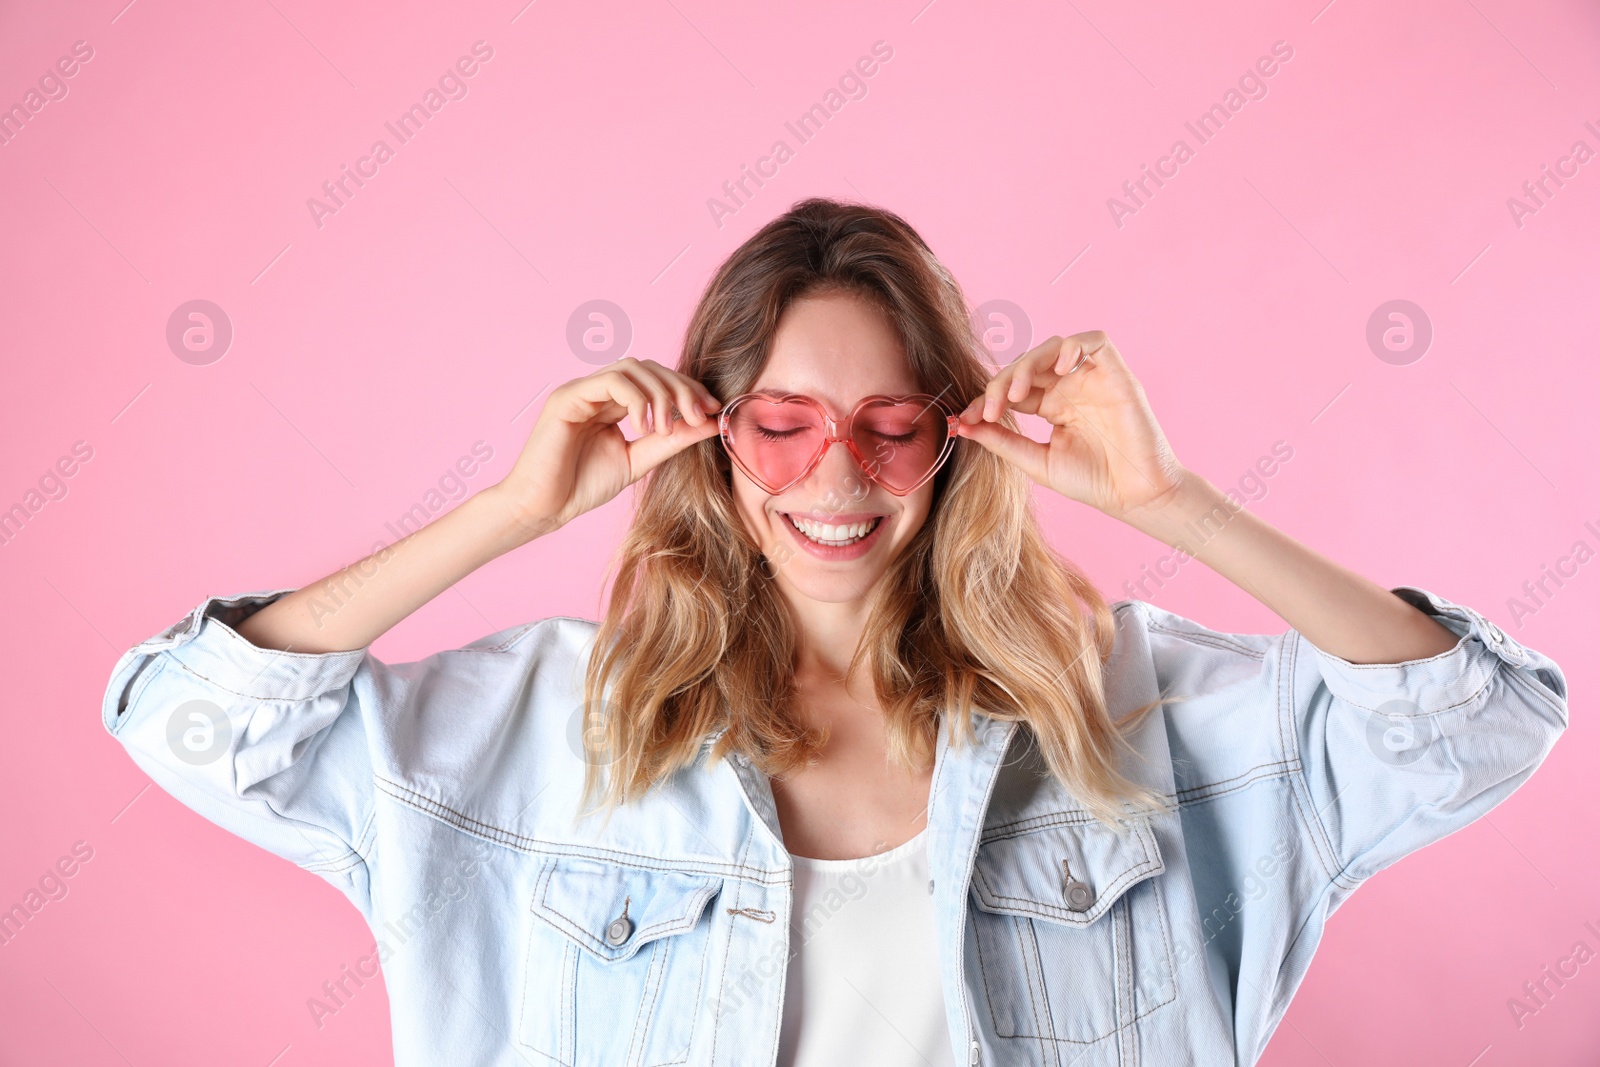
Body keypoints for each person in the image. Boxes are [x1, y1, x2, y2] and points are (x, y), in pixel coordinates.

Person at [101, 198, 1568, 1067]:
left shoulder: (1133, 707)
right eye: (783, 428)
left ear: (958, 437)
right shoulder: (547, 725)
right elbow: (197, 724)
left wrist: (1176, 506)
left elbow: (1478, 728)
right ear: (711, 439)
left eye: (890, 427)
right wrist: (504, 512)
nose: (838, 479)